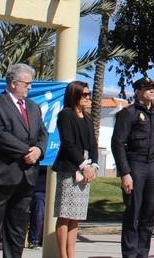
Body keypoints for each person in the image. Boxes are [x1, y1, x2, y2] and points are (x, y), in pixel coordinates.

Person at [0, 62, 47, 258]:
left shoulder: (33, 107)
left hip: (26, 177)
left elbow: (42, 132)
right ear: (13, 83)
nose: (30, 87)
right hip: (0, 176)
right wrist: (27, 151)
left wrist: (39, 150)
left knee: (17, 229)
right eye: (27, 83)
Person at [111, 76, 154, 258]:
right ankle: (130, 254)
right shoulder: (128, 114)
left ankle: (143, 254)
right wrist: (125, 173)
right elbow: (118, 144)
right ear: (138, 91)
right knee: (133, 213)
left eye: (153, 87)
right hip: (135, 165)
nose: (152, 90)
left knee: (149, 214)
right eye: (147, 88)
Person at [52, 81, 99, 258]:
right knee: (64, 214)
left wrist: (93, 165)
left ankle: (72, 253)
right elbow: (68, 143)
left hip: (86, 168)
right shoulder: (65, 115)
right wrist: (83, 164)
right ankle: (62, 254)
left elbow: (93, 143)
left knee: (75, 215)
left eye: (89, 94)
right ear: (75, 95)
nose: (88, 98)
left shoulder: (87, 118)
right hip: (70, 168)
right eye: (85, 94)